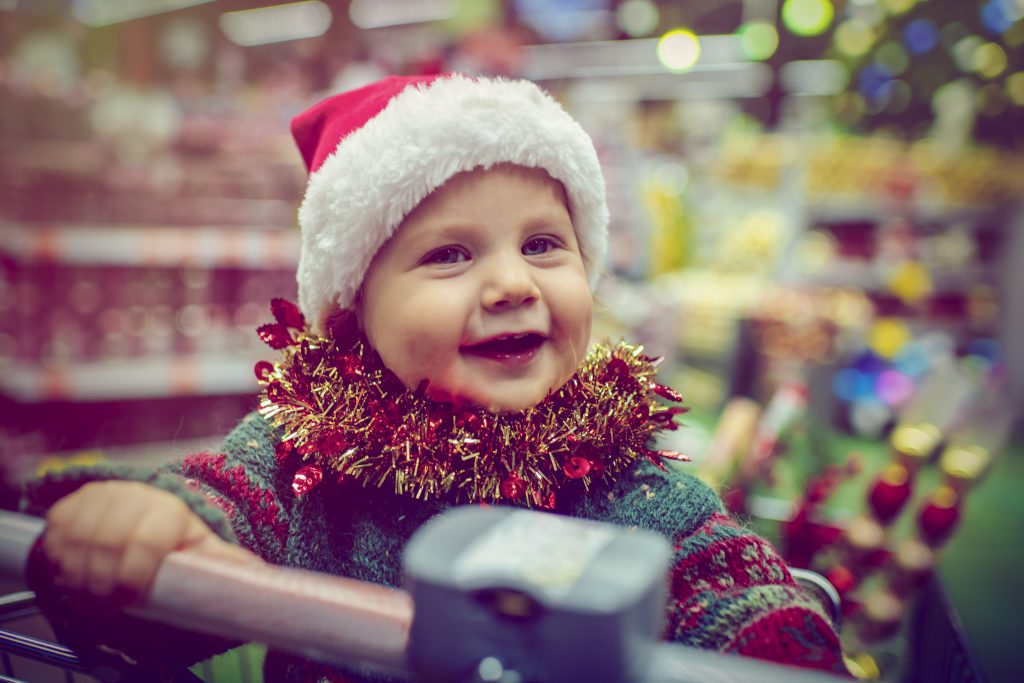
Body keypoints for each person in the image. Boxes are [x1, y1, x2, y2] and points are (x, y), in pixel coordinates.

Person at [23, 74, 847, 681]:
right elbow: (221, 507)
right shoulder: (310, 458)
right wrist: (153, 522)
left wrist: (772, 642)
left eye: (543, 244)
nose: (514, 284)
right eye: (450, 254)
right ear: (351, 318)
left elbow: (723, 579)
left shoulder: (623, 479)